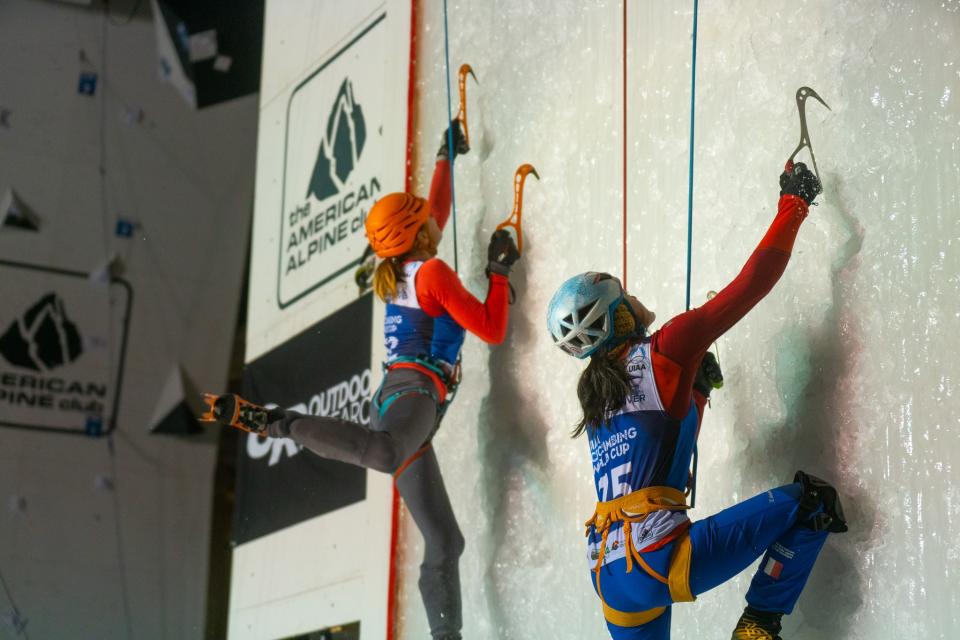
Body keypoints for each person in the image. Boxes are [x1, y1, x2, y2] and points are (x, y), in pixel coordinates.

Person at [209, 122, 521, 640]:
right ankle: (276, 423)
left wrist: (446, 156)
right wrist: (499, 271)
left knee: (445, 542)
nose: (431, 215)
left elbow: (435, 212)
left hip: (403, 407)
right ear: (416, 232)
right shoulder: (431, 272)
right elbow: (490, 327)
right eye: (422, 216)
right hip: (412, 400)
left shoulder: (399, 267)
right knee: (382, 455)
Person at [545, 163, 848, 640]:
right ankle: (758, 625)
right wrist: (794, 204)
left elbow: (659, 448)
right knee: (812, 504)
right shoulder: (669, 345)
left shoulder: (596, 396)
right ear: (617, 314)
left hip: (609, 575)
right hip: (658, 555)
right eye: (625, 296)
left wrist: (698, 392)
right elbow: (752, 284)